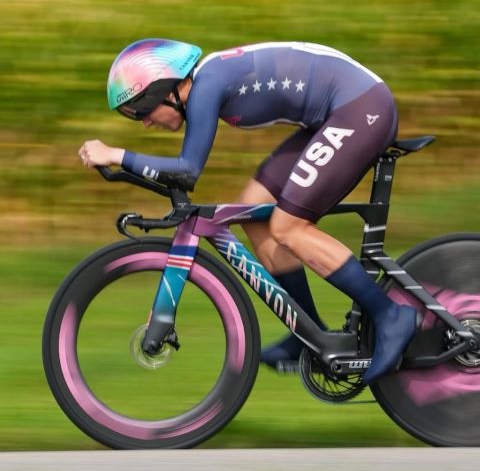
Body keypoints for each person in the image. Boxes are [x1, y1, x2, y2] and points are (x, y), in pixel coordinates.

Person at [78, 38, 418, 384]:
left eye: (139, 110)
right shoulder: (207, 80)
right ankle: (307, 332)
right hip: (338, 111)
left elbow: (187, 171)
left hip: (360, 108)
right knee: (253, 209)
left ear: (163, 91)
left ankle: (390, 315)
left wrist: (118, 155)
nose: (144, 123)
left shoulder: (206, 86)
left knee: (288, 227)